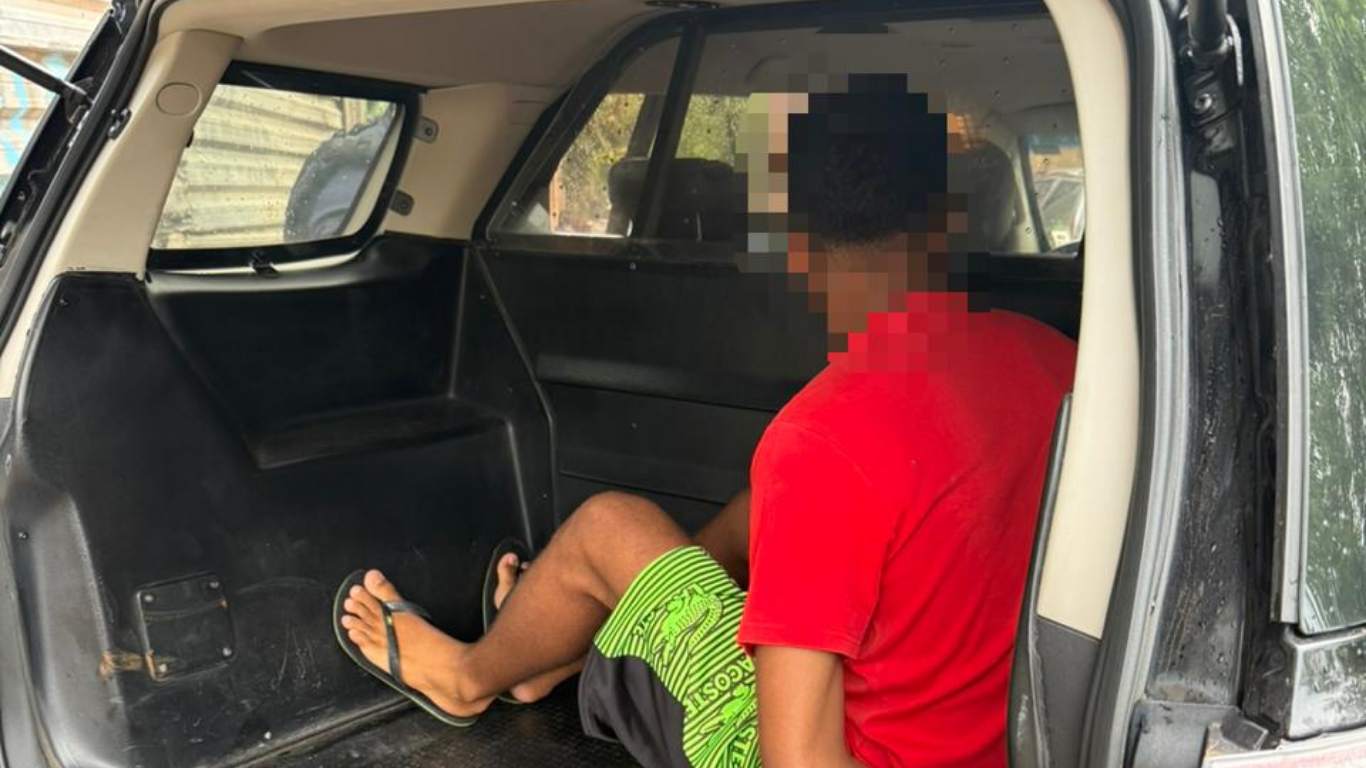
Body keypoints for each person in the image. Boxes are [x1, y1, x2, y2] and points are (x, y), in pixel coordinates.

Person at [336, 75, 1076, 768]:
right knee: (760, 514)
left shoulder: (825, 436)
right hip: (1009, 743)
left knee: (609, 527)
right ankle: (550, 655)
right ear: (949, 221)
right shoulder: (1055, 362)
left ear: (795, 246)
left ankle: (466, 678)